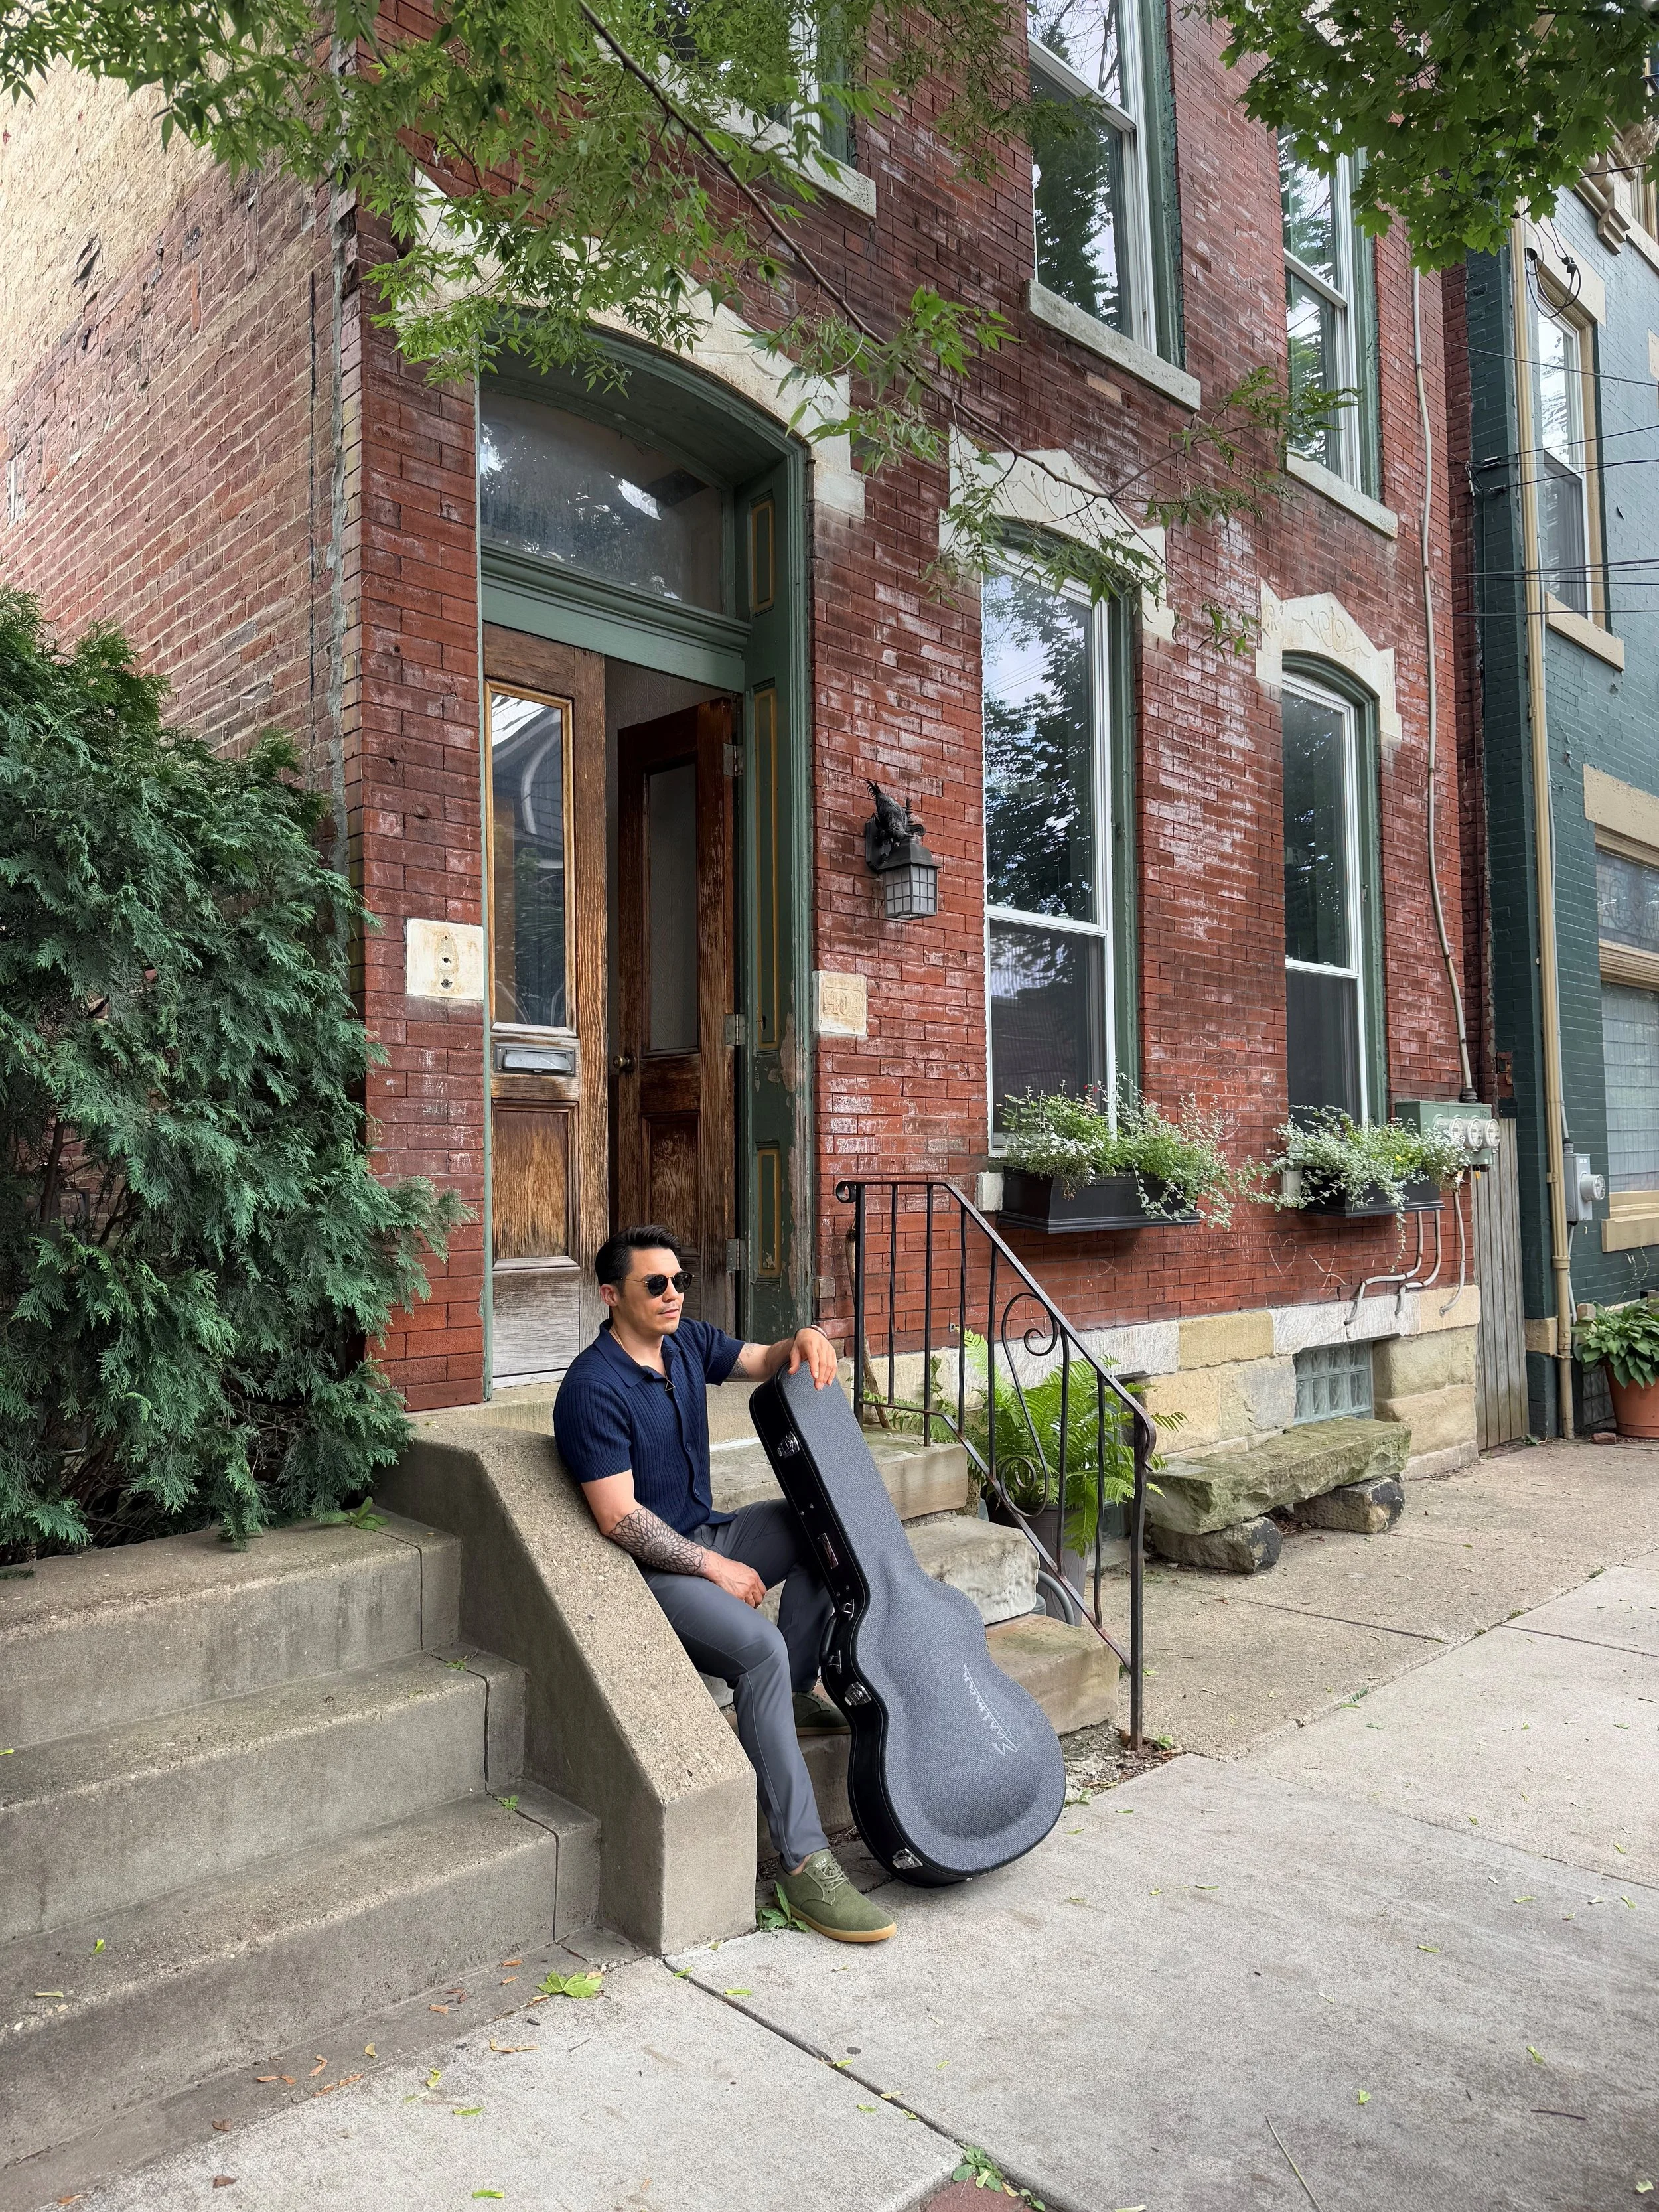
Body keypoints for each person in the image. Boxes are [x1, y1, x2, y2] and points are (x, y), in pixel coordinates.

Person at [553, 1224, 897, 1945]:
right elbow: (619, 1519)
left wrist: (806, 1337)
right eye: (655, 1284)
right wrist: (713, 1567)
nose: (673, 1294)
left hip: (710, 1533)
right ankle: (803, 1865)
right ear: (611, 1295)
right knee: (759, 1651)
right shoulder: (591, 1388)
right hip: (651, 1573)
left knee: (822, 1526)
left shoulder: (685, 1343)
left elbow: (764, 1359)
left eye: (678, 1281)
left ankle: (794, 1696)